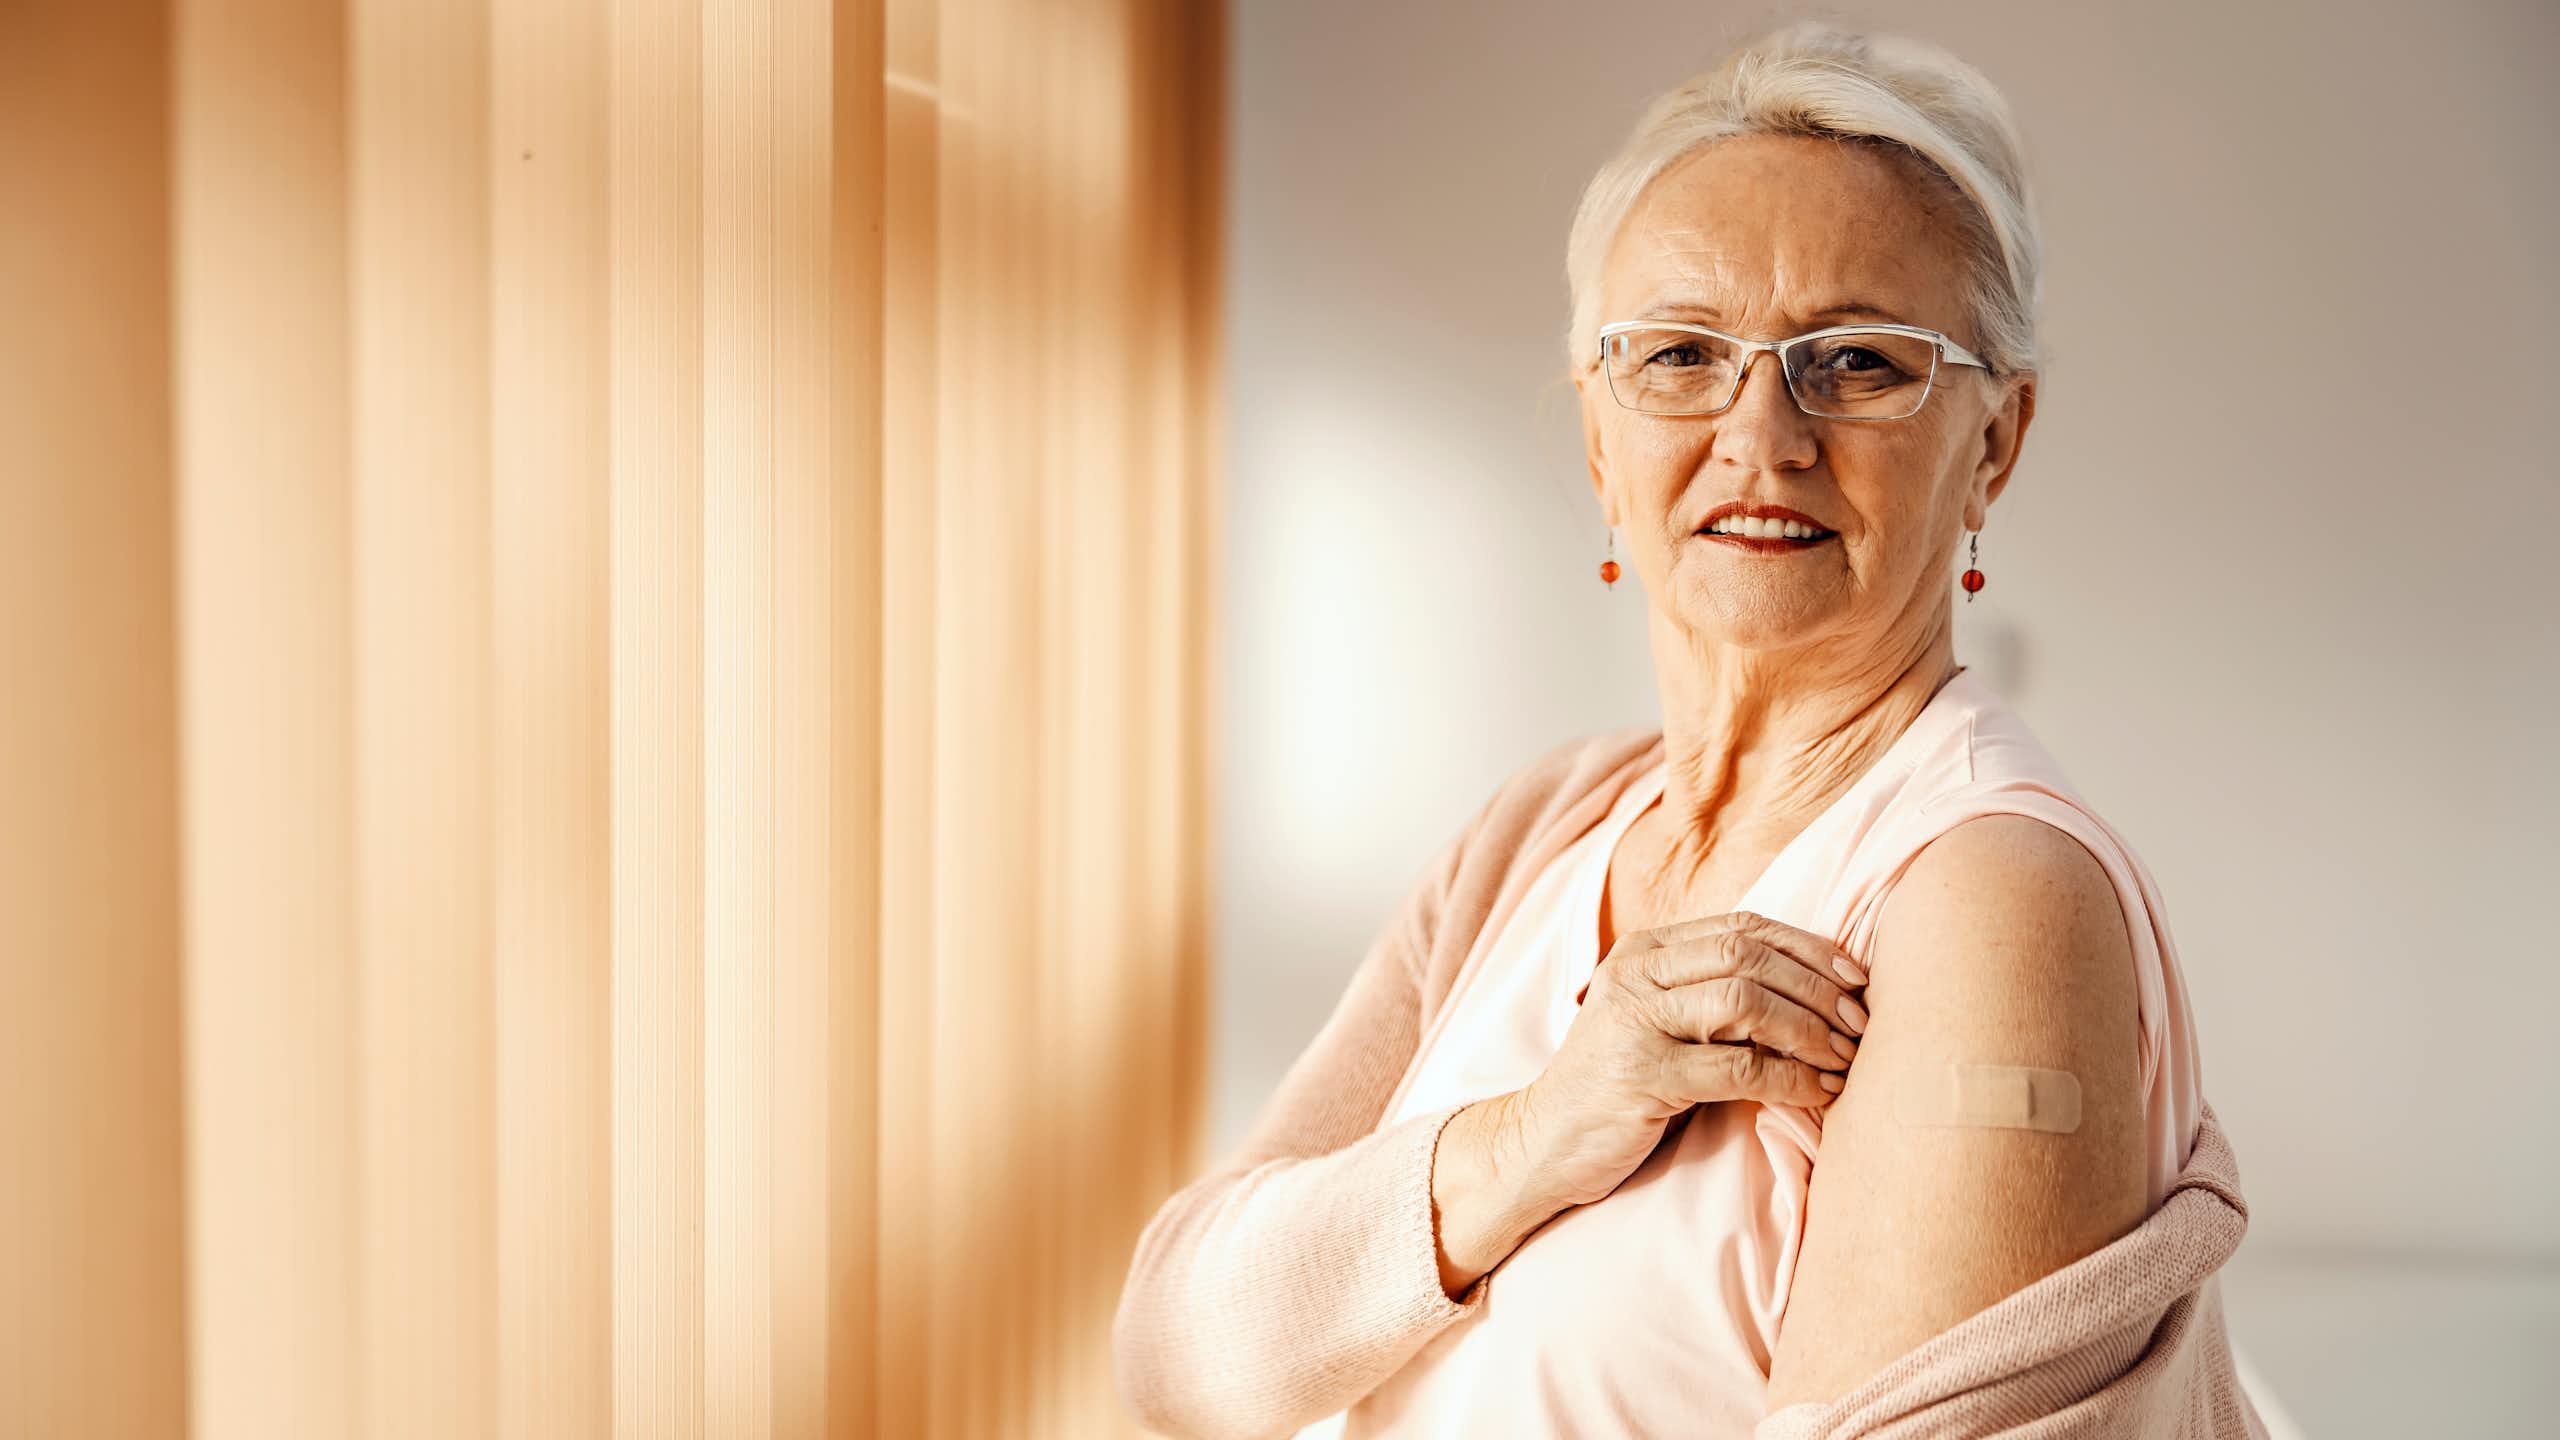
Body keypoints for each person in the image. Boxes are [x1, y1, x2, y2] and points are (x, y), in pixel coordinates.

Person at [1115, 20, 2242, 1438]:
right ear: (1601, 438)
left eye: (1860, 363)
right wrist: (1534, 1138)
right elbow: (1174, 1353)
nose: (1762, 434)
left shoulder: (1984, 903)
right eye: (1682, 354)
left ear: (1995, 443)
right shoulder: (1541, 832)